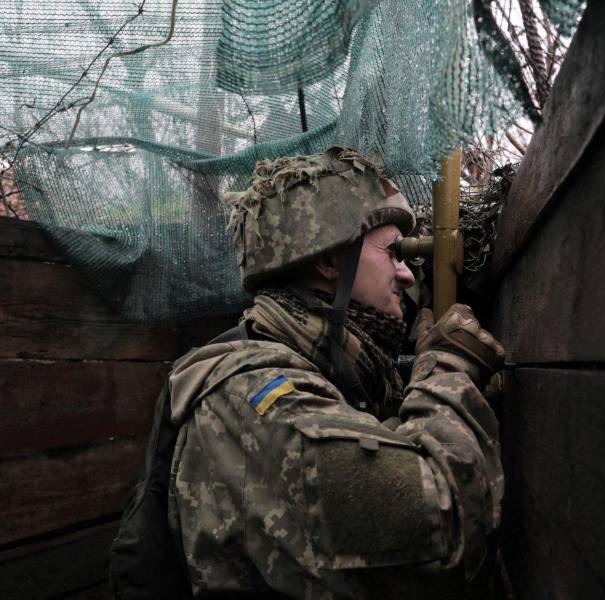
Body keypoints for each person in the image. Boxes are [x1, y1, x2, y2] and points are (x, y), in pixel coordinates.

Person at [166, 146, 506, 599]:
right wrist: (449, 373)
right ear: (329, 261)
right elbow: (443, 528)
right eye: (394, 252)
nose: (407, 275)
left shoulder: (327, 372)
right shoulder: (254, 396)